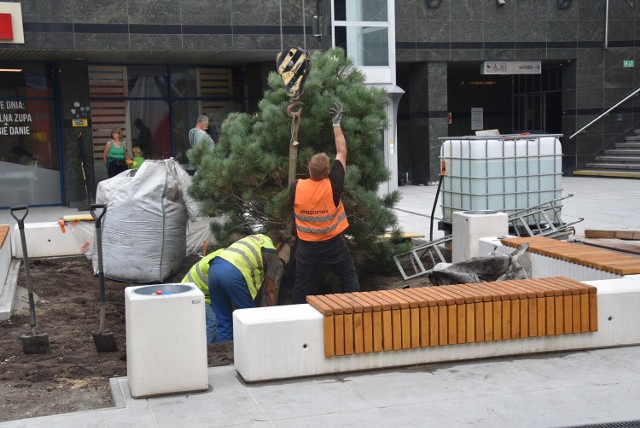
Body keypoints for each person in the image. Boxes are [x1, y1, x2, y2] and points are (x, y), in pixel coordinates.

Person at [289, 104, 360, 304]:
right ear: (327, 173)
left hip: (306, 246)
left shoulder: (297, 187)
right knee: (349, 278)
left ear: (309, 171)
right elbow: (342, 151)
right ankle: (349, 311)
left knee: (301, 285)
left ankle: (297, 317)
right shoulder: (333, 185)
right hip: (332, 244)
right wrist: (336, 123)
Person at [208, 231, 286, 342]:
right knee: (250, 321)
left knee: (223, 321)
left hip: (214, 269)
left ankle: (223, 356)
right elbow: (270, 291)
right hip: (233, 274)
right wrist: (273, 318)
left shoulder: (252, 238)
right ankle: (253, 352)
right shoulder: (271, 251)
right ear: (278, 246)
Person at [182, 249, 224, 343]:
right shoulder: (222, 262)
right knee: (212, 321)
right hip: (193, 293)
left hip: (201, 291)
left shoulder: (223, 253)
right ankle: (209, 347)